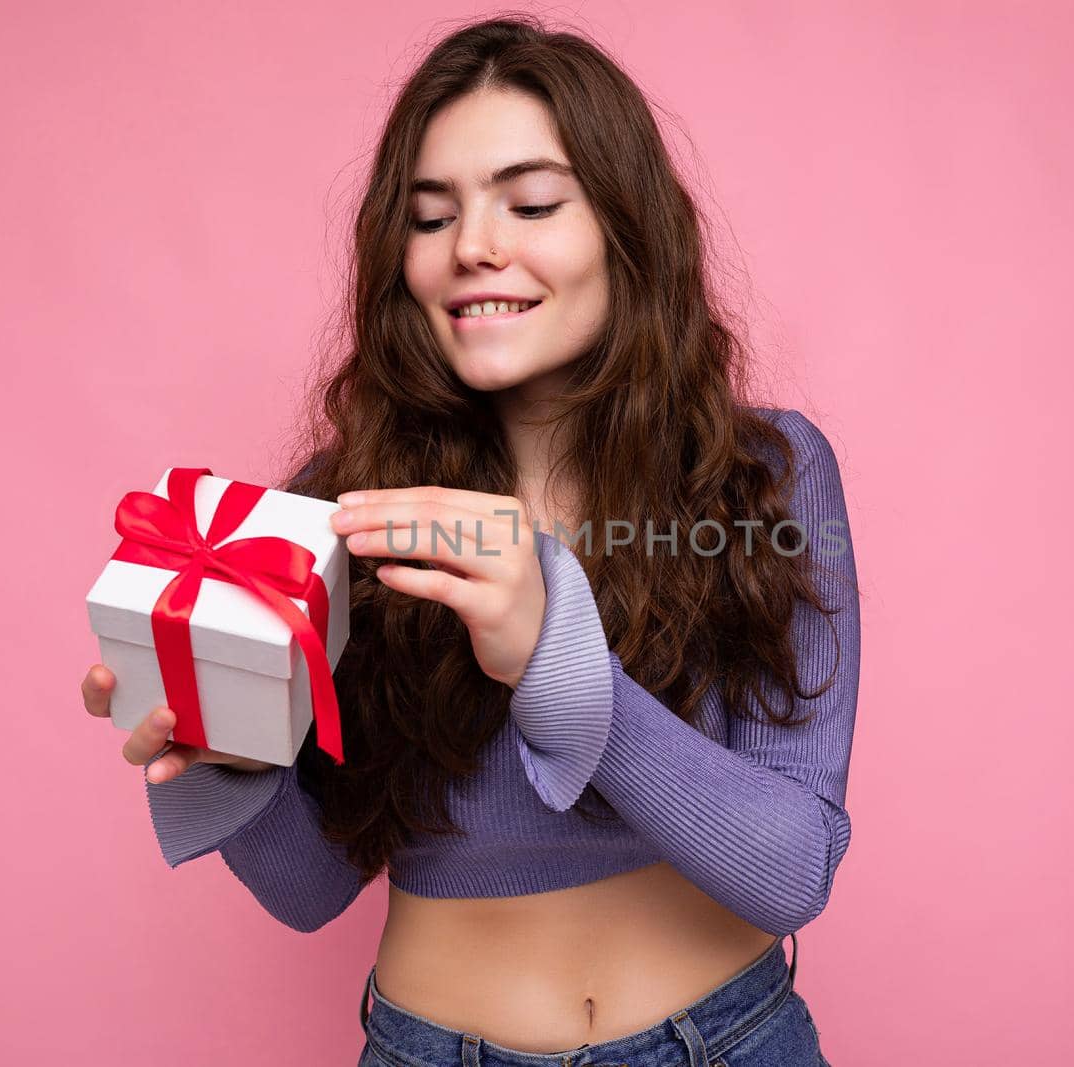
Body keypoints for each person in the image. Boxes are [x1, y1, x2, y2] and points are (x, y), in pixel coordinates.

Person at [81, 15, 859, 1067]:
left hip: (729, 1038)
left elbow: (791, 870)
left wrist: (552, 653)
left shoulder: (764, 477)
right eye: (430, 216)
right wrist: (227, 753)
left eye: (531, 202)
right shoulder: (336, 513)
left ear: (627, 228)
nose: (473, 246)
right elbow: (312, 892)